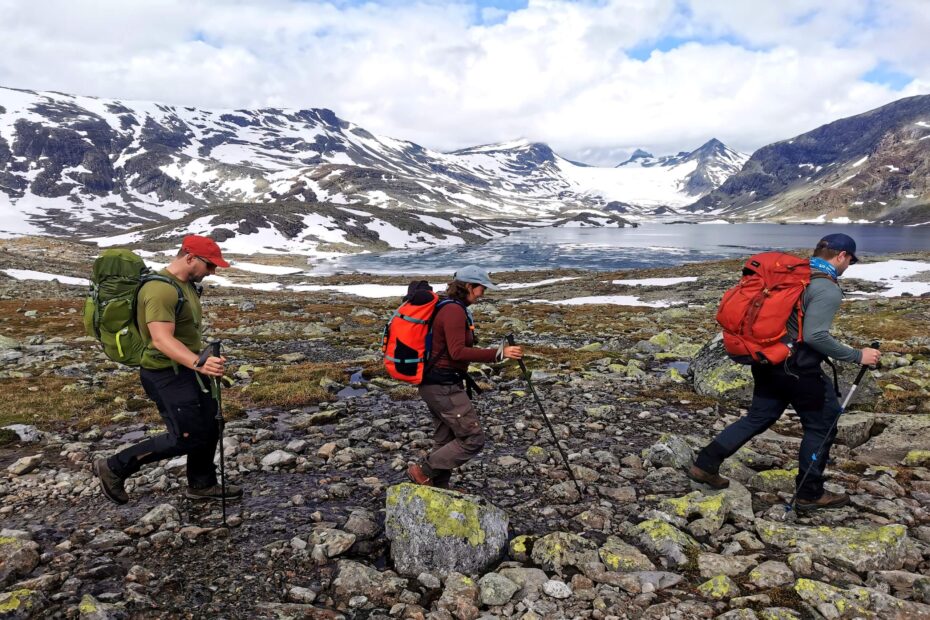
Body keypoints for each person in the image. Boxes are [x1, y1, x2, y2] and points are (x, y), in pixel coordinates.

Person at [689, 233, 881, 510]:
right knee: (821, 425)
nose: (848, 266)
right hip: (799, 368)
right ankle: (810, 493)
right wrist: (857, 355)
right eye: (850, 261)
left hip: (767, 359)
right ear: (842, 256)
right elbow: (815, 336)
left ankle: (705, 464)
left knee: (759, 416)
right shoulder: (825, 287)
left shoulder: (789, 277)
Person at [93, 235, 242, 505]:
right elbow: (161, 339)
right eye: (209, 265)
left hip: (188, 368)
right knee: (185, 436)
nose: (212, 271)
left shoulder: (185, 285)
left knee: (211, 425)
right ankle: (115, 466)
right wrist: (200, 363)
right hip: (165, 374)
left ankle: (202, 485)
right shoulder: (160, 290)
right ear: (189, 257)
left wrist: (200, 360)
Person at [406, 266, 523, 488]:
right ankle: (422, 470)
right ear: (469, 286)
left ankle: (437, 487)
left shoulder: (448, 307)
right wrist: (499, 354)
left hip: (434, 384)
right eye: (481, 289)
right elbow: (457, 352)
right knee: (473, 438)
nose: (482, 294)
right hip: (443, 385)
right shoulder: (453, 311)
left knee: (445, 439)